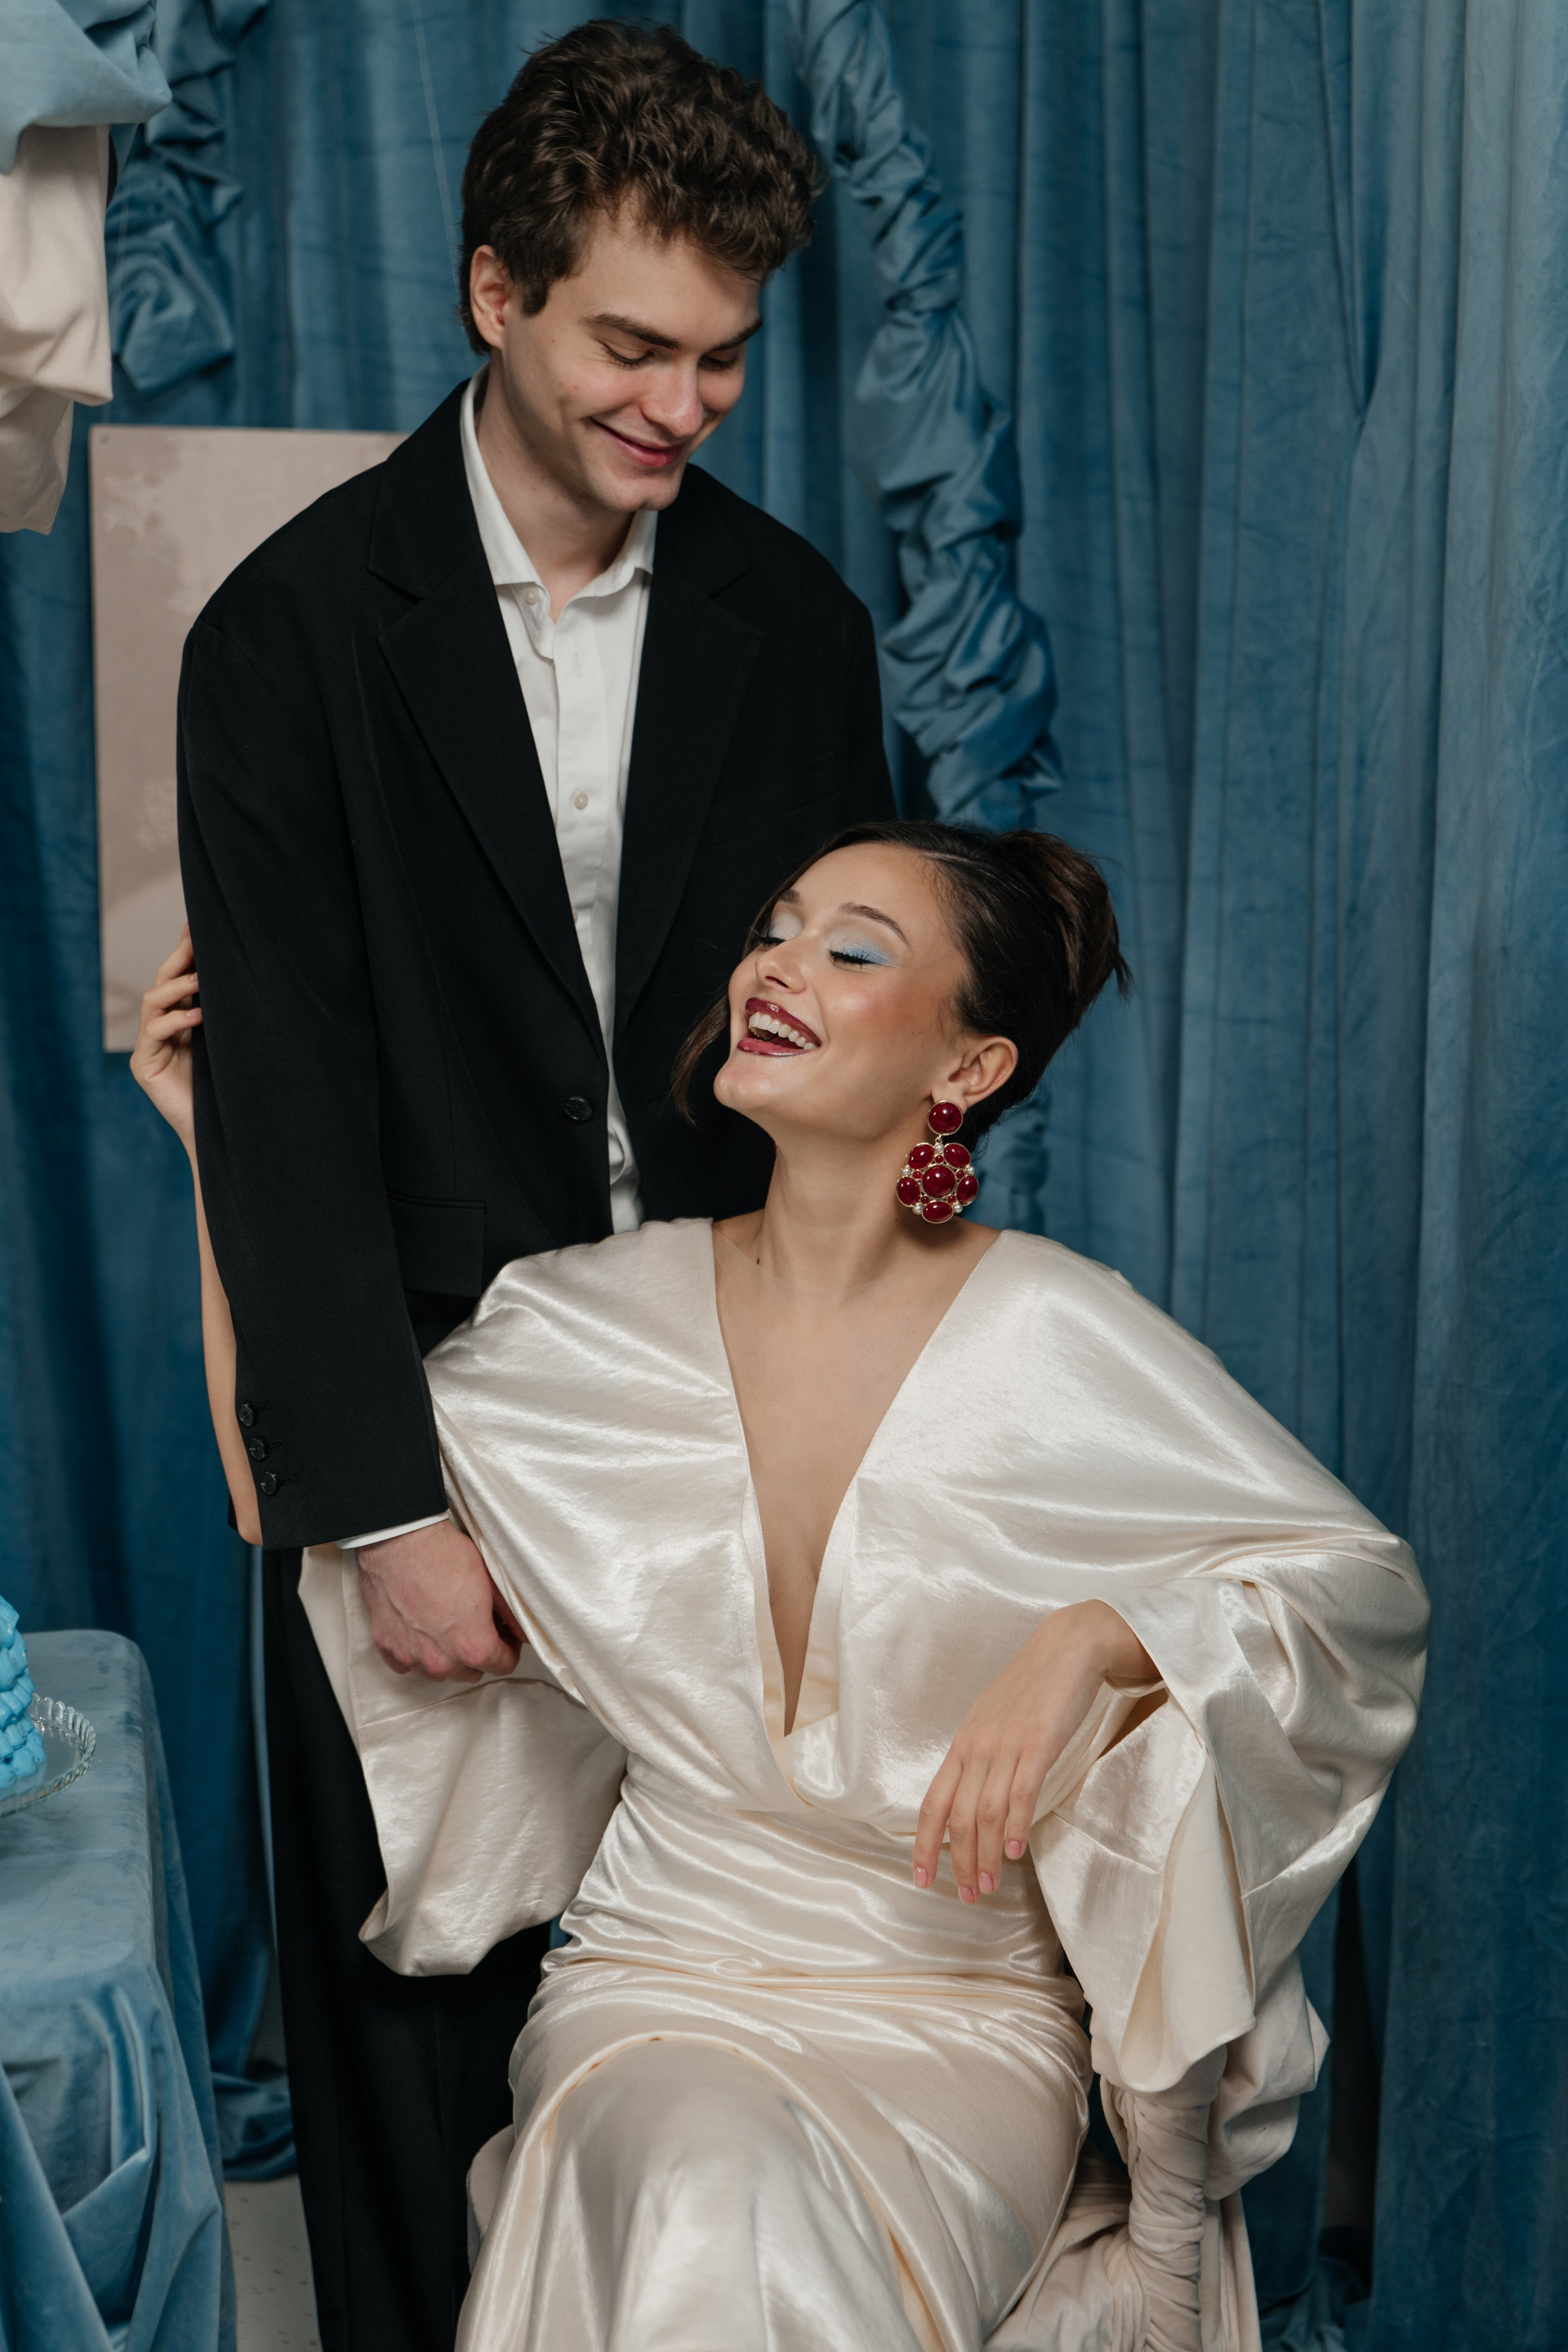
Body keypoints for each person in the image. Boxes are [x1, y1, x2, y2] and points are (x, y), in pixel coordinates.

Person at [136, 819, 1428, 2352]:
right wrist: (221, 1152)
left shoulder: (1062, 1338)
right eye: (776, 929)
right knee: (705, 2179)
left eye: (852, 949)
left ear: (969, 1068)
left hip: (956, 2021)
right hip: (655, 1983)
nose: (778, 966)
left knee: (737, 2205)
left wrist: (1107, 1638)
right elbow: (293, 1489)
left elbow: (1356, 1597)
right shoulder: (581, 1325)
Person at [171, 21, 893, 2348]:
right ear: (497, 294)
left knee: (712, 2016)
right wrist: (384, 1511)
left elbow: (851, 1046)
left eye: (724, 357)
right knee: (414, 2037)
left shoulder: (802, 626)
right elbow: (283, 1107)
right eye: (631, 346)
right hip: (422, 1421)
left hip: (725, 1412)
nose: (684, 406)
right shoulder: (285, 635)